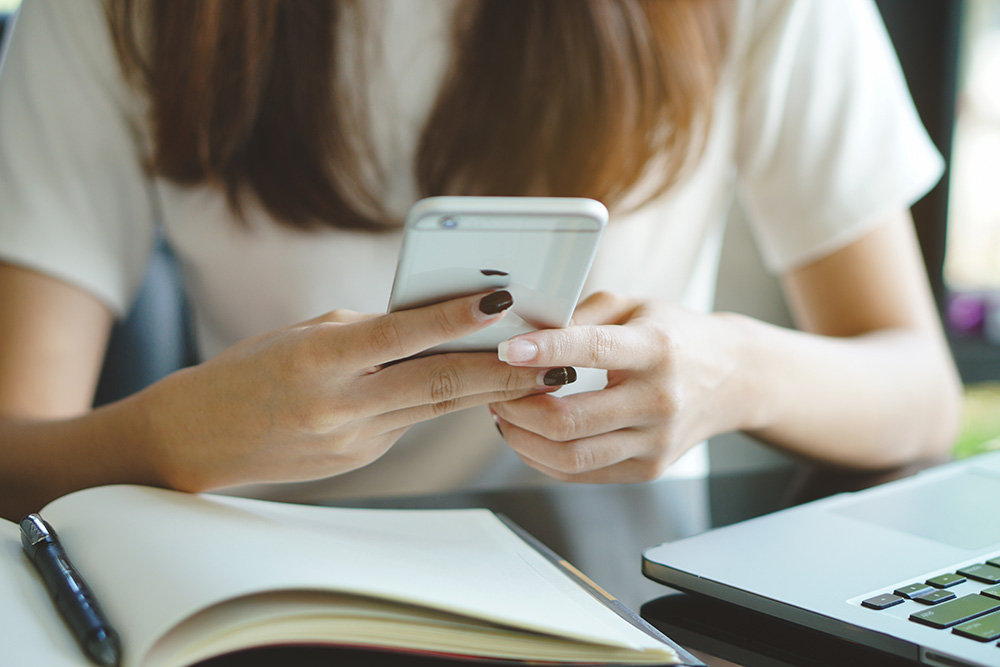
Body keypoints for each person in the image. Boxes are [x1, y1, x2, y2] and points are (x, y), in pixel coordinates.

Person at [0, 0, 962, 521]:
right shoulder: (113, 16)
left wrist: (733, 370)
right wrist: (176, 435)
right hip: (267, 590)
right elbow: (12, 455)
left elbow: (922, 397)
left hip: (622, 594)